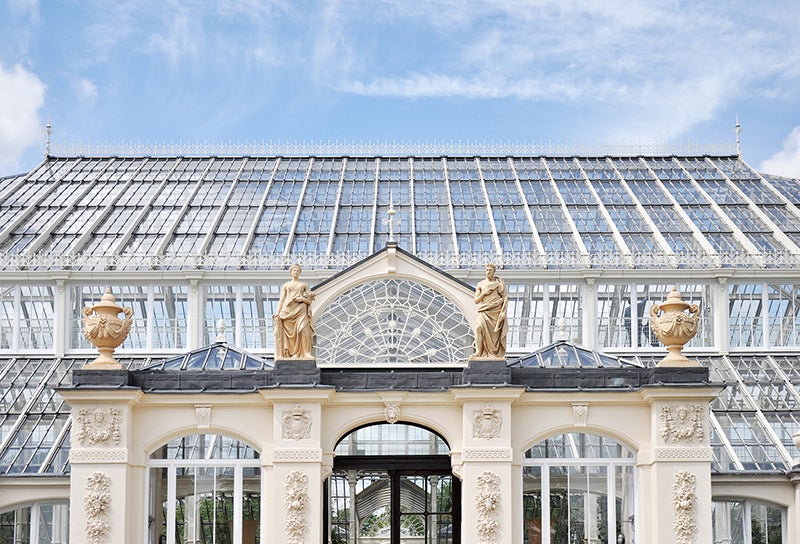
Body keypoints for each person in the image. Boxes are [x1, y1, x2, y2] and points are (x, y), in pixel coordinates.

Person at [274, 263, 315, 359]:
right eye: (294, 270)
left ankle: (306, 353)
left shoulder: (304, 284)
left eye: (297, 270)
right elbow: (282, 299)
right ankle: (292, 354)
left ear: (300, 272)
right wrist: (277, 312)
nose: (296, 272)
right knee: (289, 335)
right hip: (287, 311)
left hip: (301, 310)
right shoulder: (286, 285)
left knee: (303, 330)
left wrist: (301, 299)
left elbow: (309, 300)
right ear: (291, 272)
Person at [473, 263, 508, 358]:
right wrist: (483, 293)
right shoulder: (481, 284)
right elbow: (476, 300)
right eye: (487, 270)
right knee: (478, 328)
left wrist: (503, 312)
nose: (488, 272)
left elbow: (505, 298)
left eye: (490, 270)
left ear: (494, 271)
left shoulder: (499, 283)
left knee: (494, 335)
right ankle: (478, 352)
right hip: (484, 310)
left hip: (496, 311)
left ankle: (494, 353)